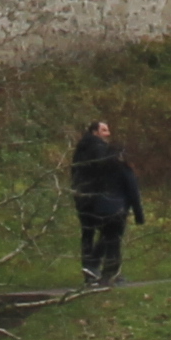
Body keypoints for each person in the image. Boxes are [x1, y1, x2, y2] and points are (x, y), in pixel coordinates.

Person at [66, 116, 145, 284]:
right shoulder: (100, 150)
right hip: (98, 198)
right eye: (104, 130)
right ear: (94, 132)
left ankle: (90, 269)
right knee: (110, 234)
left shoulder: (80, 149)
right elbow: (112, 177)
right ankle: (100, 269)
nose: (108, 134)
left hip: (82, 195)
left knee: (88, 233)